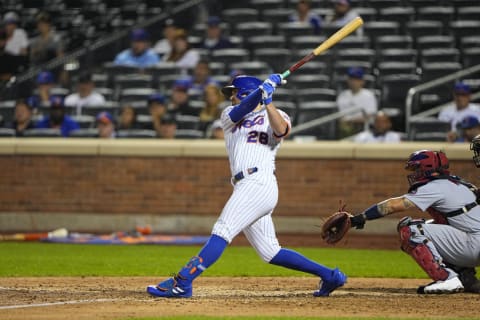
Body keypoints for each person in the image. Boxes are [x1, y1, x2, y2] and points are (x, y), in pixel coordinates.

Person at [147, 74, 347, 298]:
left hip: (258, 183)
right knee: (270, 252)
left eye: (234, 92)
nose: (231, 96)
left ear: (243, 92)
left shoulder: (278, 114)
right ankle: (330, 275)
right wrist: (262, 91)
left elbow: (281, 131)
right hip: (247, 185)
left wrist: (268, 100)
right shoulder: (228, 117)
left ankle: (182, 282)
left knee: (222, 230)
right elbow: (239, 110)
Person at [347, 149, 480, 293]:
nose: (414, 173)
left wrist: (359, 219)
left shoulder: (435, 186)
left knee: (410, 229)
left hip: (472, 245)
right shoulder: (458, 183)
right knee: (433, 225)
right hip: (474, 243)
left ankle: (446, 278)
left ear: (427, 168)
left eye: (417, 168)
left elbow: (393, 205)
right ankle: (466, 279)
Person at [336, 67, 378, 138]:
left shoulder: (368, 95)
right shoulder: (342, 95)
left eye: (356, 79)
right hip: (345, 130)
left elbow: (370, 116)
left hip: (364, 130)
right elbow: (340, 116)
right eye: (351, 79)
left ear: (362, 81)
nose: (353, 82)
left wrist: (352, 121)